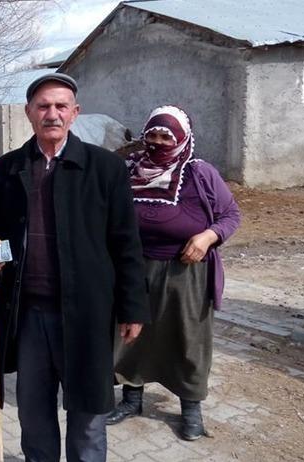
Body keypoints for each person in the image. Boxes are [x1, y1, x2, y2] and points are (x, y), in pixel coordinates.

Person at [0, 73, 150, 462]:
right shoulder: (6, 170)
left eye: (60, 106)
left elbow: (127, 243)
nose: (51, 114)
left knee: (88, 407)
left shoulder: (105, 169)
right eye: (42, 106)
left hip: (87, 312)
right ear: (28, 113)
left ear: (74, 113)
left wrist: (133, 306)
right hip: (28, 310)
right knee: (33, 405)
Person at [107, 105, 241, 441]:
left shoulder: (199, 173)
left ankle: (191, 408)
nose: (158, 141)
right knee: (130, 335)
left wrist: (209, 236)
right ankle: (131, 398)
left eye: (166, 135)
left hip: (186, 272)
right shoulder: (128, 171)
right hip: (135, 268)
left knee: (188, 339)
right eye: (152, 134)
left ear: (182, 138)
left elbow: (230, 215)